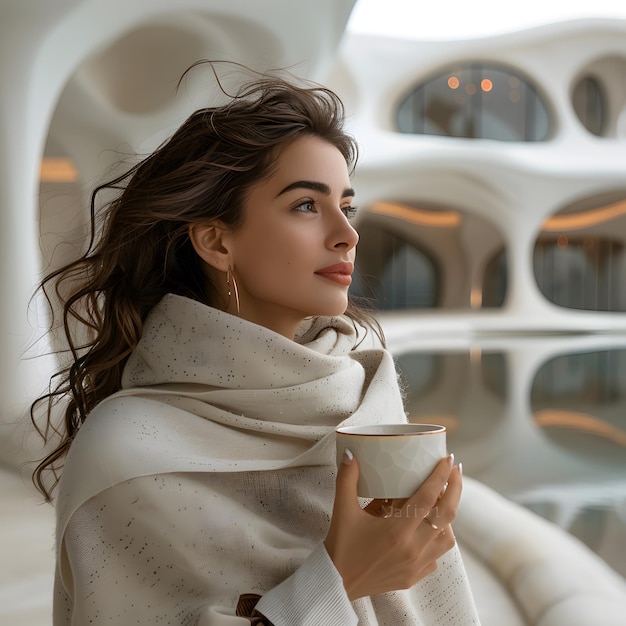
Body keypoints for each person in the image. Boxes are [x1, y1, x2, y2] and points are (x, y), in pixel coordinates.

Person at [32, 63, 480, 625]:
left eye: (348, 205)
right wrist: (339, 580)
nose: (347, 233)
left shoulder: (365, 400)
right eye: (305, 205)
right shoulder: (127, 455)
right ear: (217, 241)